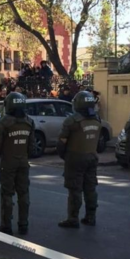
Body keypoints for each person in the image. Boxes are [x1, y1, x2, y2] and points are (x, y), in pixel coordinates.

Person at [0, 92, 35, 236]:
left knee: (7, 194)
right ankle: (24, 224)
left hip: (8, 163)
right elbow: (32, 146)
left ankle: (6, 225)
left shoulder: (4, 122)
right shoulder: (29, 121)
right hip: (23, 162)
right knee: (24, 194)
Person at [57, 91, 101, 229]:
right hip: (92, 157)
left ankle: (73, 219)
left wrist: (65, 156)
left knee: (75, 190)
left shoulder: (72, 121)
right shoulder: (97, 119)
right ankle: (91, 217)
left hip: (75, 158)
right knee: (90, 188)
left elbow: (62, 142)